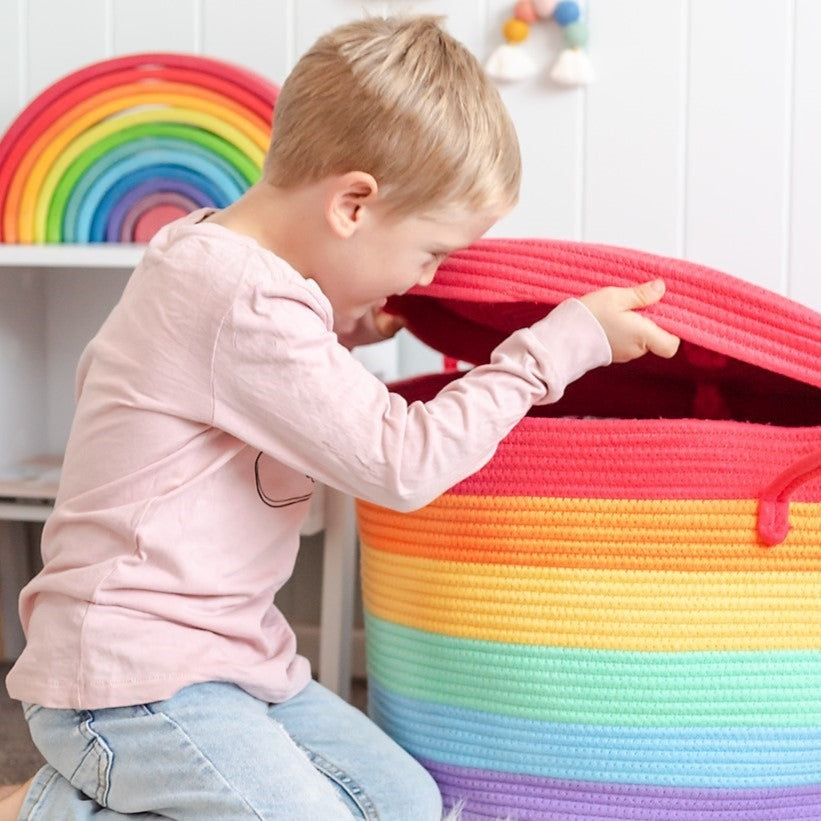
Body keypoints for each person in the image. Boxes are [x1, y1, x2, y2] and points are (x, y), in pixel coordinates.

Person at [0, 14, 680, 821]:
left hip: (231, 666)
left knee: (404, 802)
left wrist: (337, 329)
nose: (423, 277)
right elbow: (404, 464)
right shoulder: (238, 297)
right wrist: (555, 350)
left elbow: (258, 366)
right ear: (353, 204)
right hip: (125, 681)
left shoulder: (229, 270)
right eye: (430, 252)